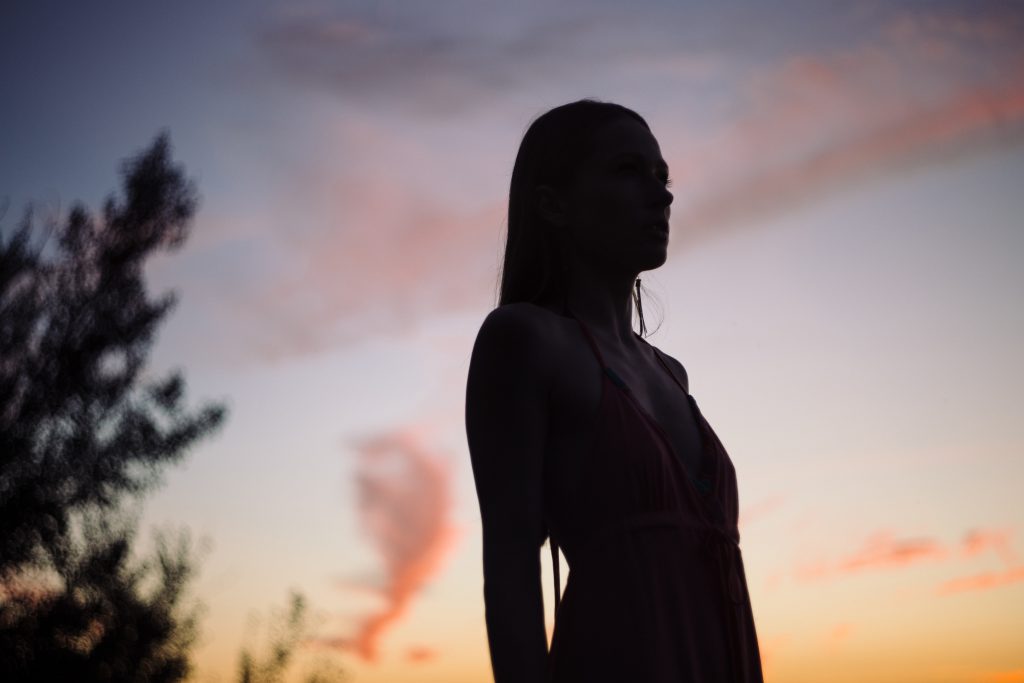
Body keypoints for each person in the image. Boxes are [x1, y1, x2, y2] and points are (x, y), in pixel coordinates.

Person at [465, 99, 765, 683]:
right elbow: (510, 570)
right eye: (629, 171)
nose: (663, 195)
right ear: (553, 204)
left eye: (662, 176)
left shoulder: (672, 373)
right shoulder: (525, 340)